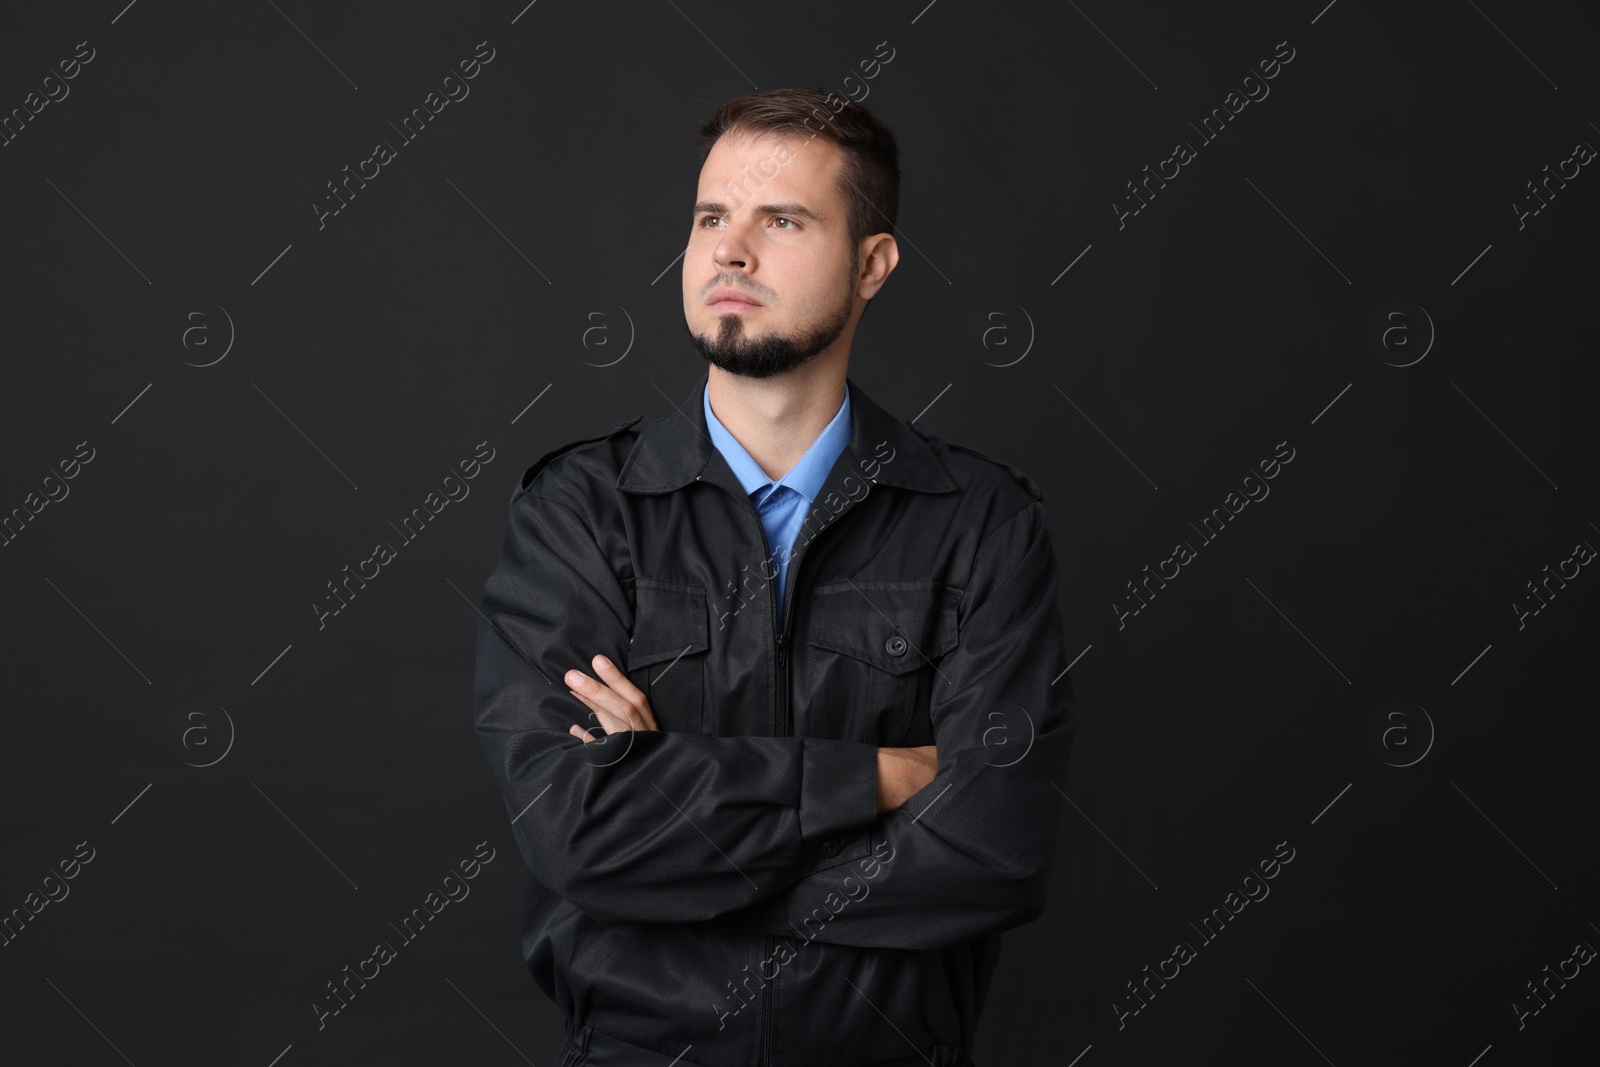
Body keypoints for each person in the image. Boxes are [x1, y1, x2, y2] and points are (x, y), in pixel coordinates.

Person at [473, 86, 1076, 1067]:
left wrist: (679, 836)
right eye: (711, 217)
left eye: (780, 220)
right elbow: (576, 832)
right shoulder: (580, 510)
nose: (728, 252)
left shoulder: (977, 519)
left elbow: (991, 853)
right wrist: (876, 776)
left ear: (872, 263)